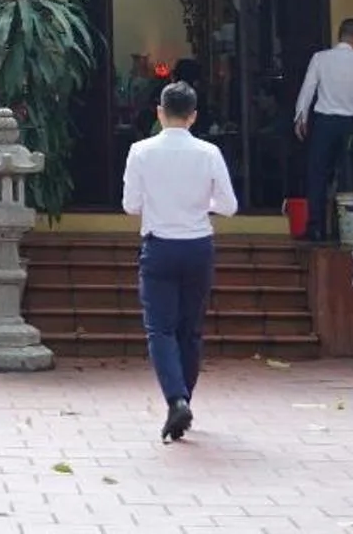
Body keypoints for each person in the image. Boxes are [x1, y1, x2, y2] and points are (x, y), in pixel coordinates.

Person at [121, 81, 239, 445]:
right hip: (198, 246)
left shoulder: (140, 151)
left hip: (159, 246)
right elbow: (230, 206)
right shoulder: (209, 152)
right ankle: (183, 396)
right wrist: (202, 206)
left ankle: (176, 398)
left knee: (160, 329)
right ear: (194, 115)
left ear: (159, 112)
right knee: (191, 330)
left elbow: (130, 205)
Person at [293, 18, 353, 241]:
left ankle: (316, 227)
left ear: (340, 36)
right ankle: (349, 230)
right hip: (352, 125)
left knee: (318, 173)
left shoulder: (320, 58)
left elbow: (308, 89)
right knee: (349, 175)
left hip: (324, 122)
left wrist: (301, 117)